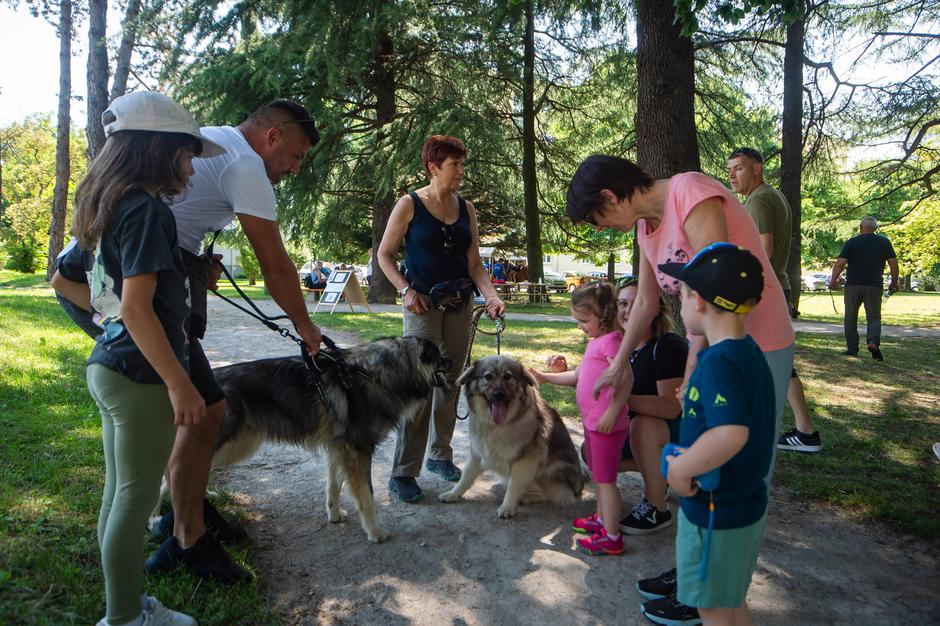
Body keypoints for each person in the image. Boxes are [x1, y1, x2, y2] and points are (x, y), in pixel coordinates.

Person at [567, 156, 794, 624]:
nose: (600, 227)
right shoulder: (644, 228)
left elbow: (716, 286)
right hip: (710, 346)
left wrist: (696, 360)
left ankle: (717, 590)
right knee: (705, 465)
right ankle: (697, 575)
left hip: (753, 344)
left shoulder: (688, 191)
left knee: (741, 471)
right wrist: (619, 362)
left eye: (596, 217)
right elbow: (647, 303)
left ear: (609, 197)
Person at [60, 91, 226, 626]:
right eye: (187, 155)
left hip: (109, 367)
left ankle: (127, 608)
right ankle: (126, 617)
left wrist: (111, 321)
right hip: (141, 377)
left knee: (119, 497)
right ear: (159, 149)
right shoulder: (149, 211)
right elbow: (136, 308)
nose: (190, 169)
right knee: (133, 503)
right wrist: (179, 382)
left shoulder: (106, 206)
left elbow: (73, 283)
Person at [146, 99, 323, 583]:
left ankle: (186, 511)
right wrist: (306, 327)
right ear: (273, 137)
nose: (294, 168)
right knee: (203, 408)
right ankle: (185, 538)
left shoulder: (222, 140)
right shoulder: (246, 164)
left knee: (205, 408)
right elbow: (276, 265)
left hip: (159, 271)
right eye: (296, 156)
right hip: (144, 282)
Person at [648, 243, 776, 626]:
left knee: (712, 608)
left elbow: (730, 432)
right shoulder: (745, 352)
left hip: (716, 511)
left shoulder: (720, 362)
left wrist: (682, 468)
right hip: (742, 504)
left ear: (699, 301)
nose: (680, 304)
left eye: (682, 296)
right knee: (730, 600)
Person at [377, 134, 505, 502]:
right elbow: (384, 255)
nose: (461, 171)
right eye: (455, 165)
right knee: (419, 384)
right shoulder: (409, 204)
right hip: (423, 307)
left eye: (462, 164)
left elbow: (474, 264)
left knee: (450, 381)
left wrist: (491, 295)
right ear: (434, 167)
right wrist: (406, 290)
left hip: (460, 306)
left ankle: (440, 455)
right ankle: (403, 471)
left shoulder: (466, 209)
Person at [541, 277, 687, 535]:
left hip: (671, 433)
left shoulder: (667, 346)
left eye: (635, 303)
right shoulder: (617, 342)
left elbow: (670, 408)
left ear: (653, 308)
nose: (627, 310)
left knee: (643, 426)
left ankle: (656, 506)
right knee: (591, 452)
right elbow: (591, 376)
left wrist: (617, 400)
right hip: (629, 426)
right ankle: (658, 477)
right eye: (622, 303)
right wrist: (558, 372)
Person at [727, 147, 822, 453]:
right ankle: (805, 431)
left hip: (764, 291)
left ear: (758, 169)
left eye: (739, 168)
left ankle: (761, 430)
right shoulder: (772, 196)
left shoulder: (758, 199)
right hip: (776, 287)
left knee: (761, 363)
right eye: (730, 169)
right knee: (779, 363)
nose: (732, 175)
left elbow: (763, 249)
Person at [529, 282, 630, 555]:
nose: (580, 326)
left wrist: (612, 411)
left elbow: (626, 378)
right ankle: (601, 520)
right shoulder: (597, 341)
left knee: (606, 482)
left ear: (605, 316)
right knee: (600, 477)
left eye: (584, 321)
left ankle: (611, 536)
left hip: (606, 425)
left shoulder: (613, 342)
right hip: (593, 424)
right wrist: (544, 377)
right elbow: (578, 376)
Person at [830, 217, 899, 361]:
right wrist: (894, 282)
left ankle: (852, 349)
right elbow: (893, 264)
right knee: (874, 317)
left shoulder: (852, 242)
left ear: (861, 227)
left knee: (850, 317)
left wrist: (833, 281)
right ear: (875, 228)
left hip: (853, 285)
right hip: (874, 286)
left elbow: (840, 263)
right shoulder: (884, 242)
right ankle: (873, 341)